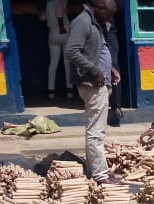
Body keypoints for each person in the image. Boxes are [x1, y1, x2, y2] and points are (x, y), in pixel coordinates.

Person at [66, 0, 120, 184]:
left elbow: (98, 50)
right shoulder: (82, 22)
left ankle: (94, 168)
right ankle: (100, 175)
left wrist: (109, 68)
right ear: (98, 8)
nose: (110, 18)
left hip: (99, 82)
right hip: (92, 84)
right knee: (96, 131)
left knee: (96, 129)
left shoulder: (96, 22)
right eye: (108, 13)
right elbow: (72, 52)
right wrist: (95, 71)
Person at [46, 0, 75, 100]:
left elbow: (43, 17)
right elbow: (59, 10)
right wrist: (61, 26)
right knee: (67, 62)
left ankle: (51, 92)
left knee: (53, 63)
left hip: (52, 32)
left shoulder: (48, 3)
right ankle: (70, 91)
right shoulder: (62, 0)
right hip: (63, 31)